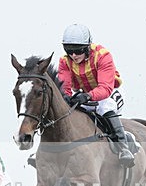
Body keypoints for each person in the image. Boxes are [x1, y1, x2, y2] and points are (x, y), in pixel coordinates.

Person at [57, 23, 134, 167]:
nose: (73, 55)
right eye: (69, 50)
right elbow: (65, 88)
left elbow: (105, 88)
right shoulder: (64, 61)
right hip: (84, 94)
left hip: (110, 93)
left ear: (87, 47)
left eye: (78, 50)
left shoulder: (103, 56)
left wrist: (87, 96)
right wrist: (66, 98)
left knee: (104, 107)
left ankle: (123, 147)